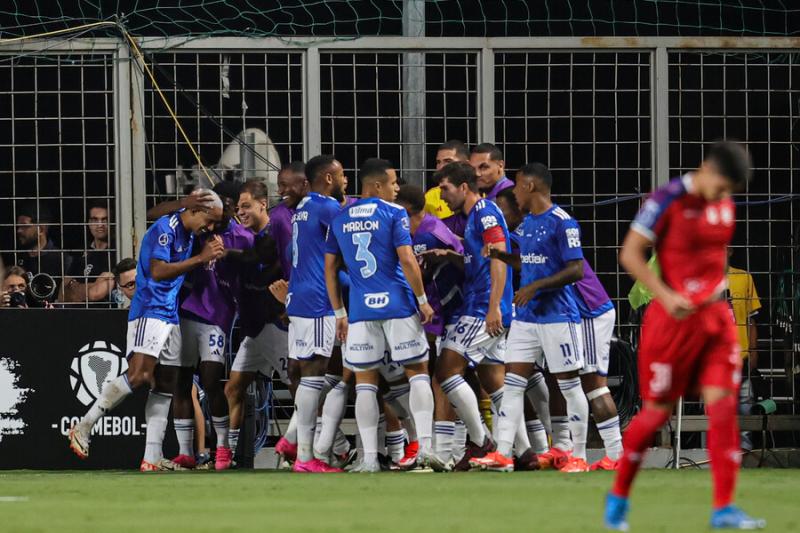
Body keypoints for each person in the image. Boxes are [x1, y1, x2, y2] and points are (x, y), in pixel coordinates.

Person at [605, 141, 765, 531]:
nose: (724, 197)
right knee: (656, 413)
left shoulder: (724, 204)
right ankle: (619, 498)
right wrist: (667, 294)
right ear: (705, 168)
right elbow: (630, 254)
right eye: (722, 186)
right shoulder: (667, 200)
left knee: (724, 410)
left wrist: (711, 288)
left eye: (731, 191)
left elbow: (715, 253)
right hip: (671, 322)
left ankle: (723, 508)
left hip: (714, 321)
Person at [68, 190, 226, 472]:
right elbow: (157, 271)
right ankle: (84, 426)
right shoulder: (167, 229)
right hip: (150, 311)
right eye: (210, 220)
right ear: (196, 210)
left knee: (166, 385)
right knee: (139, 374)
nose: (210, 228)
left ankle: (151, 458)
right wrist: (201, 258)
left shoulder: (188, 233)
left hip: (170, 314)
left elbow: (155, 212)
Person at [476, 162, 590, 473]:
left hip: (557, 317)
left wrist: (536, 286)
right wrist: (500, 256)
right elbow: (526, 262)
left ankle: (578, 455)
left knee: (568, 385)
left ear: (529, 186)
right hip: (527, 318)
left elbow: (576, 269)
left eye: (516, 187)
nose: (513, 193)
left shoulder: (562, 223)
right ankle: (501, 453)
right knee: (512, 385)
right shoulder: (526, 226)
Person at [324, 158, 435, 472]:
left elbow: (329, 270)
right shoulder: (395, 213)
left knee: (365, 385)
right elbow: (408, 260)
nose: (397, 188)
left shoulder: (340, 218)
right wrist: (423, 300)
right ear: (375, 185)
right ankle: (425, 449)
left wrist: (339, 313)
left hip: (360, 310)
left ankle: (369, 459)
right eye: (393, 182)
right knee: (418, 374)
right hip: (398, 304)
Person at [430, 161, 515, 469]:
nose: (442, 196)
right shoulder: (472, 218)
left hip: (483, 308)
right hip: (482, 305)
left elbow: (499, 258)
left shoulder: (486, 212)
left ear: (464, 187)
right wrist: (452, 255)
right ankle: (524, 452)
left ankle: (482, 441)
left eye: (446, 189)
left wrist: (494, 307)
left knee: (447, 369)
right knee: (496, 384)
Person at [217, 180, 292, 470]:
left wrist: (228, 254)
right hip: (253, 329)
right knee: (233, 388)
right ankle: (229, 452)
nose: (241, 212)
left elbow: (260, 261)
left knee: (302, 386)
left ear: (263, 204)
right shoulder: (250, 237)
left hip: (274, 326)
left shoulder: (275, 233)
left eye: (246, 206)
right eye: (239, 208)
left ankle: (314, 447)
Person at [285, 154, 348, 473]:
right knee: (314, 374)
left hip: (298, 299)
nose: (345, 180)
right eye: (341, 175)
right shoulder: (327, 207)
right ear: (327, 179)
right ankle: (305, 456)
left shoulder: (302, 208)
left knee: (314, 374)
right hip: (317, 301)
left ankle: (297, 444)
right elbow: (347, 247)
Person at [396, 184, 464, 470]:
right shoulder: (424, 229)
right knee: (446, 378)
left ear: (407, 211)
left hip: (456, 311)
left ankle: (452, 449)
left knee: (444, 378)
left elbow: (462, 265)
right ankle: (452, 449)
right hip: (446, 312)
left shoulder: (427, 233)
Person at [726, 249, 762, 452]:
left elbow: (751, 320)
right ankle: (714, 455)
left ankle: (745, 454)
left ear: (730, 251)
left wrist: (754, 351)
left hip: (742, 355)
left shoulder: (743, 277)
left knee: (745, 406)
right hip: (714, 358)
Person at [61, 201, 115, 305]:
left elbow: (96, 294)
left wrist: (74, 286)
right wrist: (95, 283)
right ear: (88, 223)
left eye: (105, 219)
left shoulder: (116, 252)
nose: (100, 225)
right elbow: (62, 294)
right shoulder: (81, 251)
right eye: (95, 219)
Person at [15, 202, 72, 284]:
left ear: (41, 230)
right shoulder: (15, 256)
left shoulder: (62, 259)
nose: (19, 230)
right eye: (18, 226)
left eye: (24, 226)